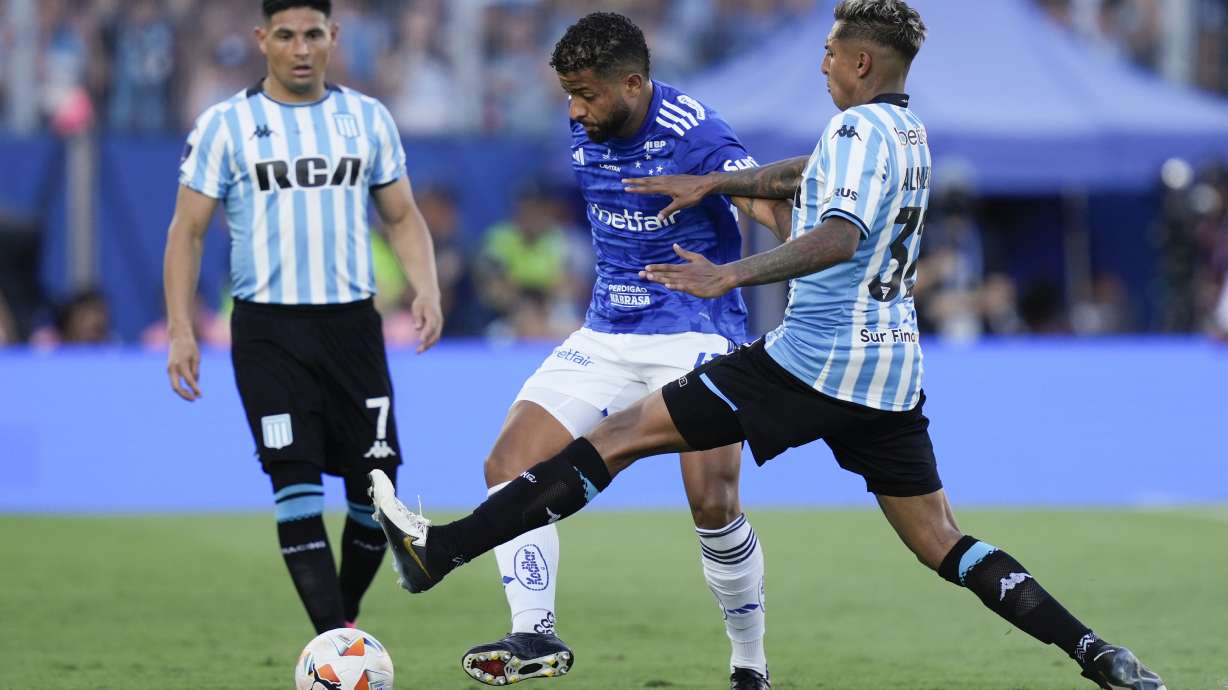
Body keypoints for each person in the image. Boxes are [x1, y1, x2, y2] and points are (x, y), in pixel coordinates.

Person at [368, 2, 1167, 689]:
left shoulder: (842, 127)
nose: (818, 64)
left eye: (826, 53)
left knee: (617, 442)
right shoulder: (906, 132)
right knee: (943, 541)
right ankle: (1095, 651)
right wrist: (719, 187)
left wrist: (731, 275)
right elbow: (807, 172)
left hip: (804, 362)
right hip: (887, 377)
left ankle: (442, 550)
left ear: (858, 61)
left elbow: (836, 233)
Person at [419, 12, 791, 690]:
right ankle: (534, 632)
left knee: (712, 501)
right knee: (509, 461)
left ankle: (749, 662)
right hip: (606, 332)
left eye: (587, 94)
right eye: (568, 93)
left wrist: (807, 247)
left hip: (697, 330)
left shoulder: (696, 134)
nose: (575, 109)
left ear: (632, 83)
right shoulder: (587, 119)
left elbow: (770, 203)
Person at [163, 0, 442, 635]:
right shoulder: (224, 125)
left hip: (351, 326)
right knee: (294, 482)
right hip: (267, 331)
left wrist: (425, 287)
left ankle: (342, 622)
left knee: (378, 491)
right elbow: (187, 233)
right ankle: (336, 642)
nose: (300, 48)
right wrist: (181, 328)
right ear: (262, 40)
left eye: (313, 34)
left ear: (333, 37)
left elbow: (401, 215)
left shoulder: (366, 119)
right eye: (285, 35)